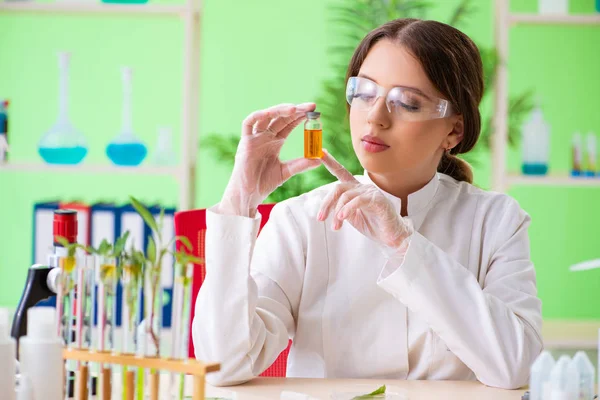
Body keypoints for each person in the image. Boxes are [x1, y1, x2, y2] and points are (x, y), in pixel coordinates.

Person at [192, 18, 543, 390]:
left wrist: (404, 245)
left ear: (453, 130)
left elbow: (517, 367)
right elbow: (223, 365)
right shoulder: (301, 220)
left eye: (407, 103)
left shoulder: (496, 220)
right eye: (363, 93)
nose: (375, 117)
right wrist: (239, 200)